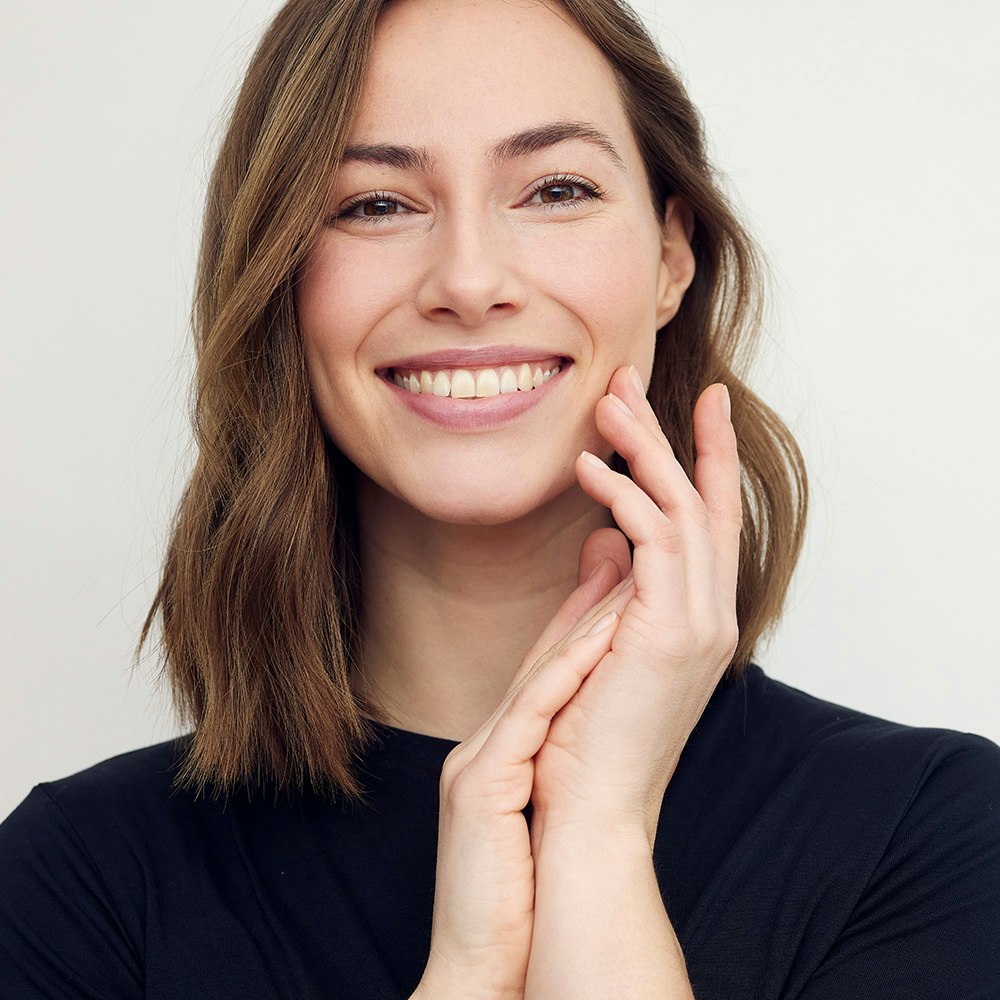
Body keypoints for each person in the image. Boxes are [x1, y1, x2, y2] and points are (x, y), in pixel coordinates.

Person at [1, 0, 997, 997]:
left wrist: (598, 829)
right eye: (375, 204)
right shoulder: (72, 888)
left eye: (556, 190)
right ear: (278, 274)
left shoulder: (931, 837)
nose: (470, 282)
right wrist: (467, 975)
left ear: (670, 257)